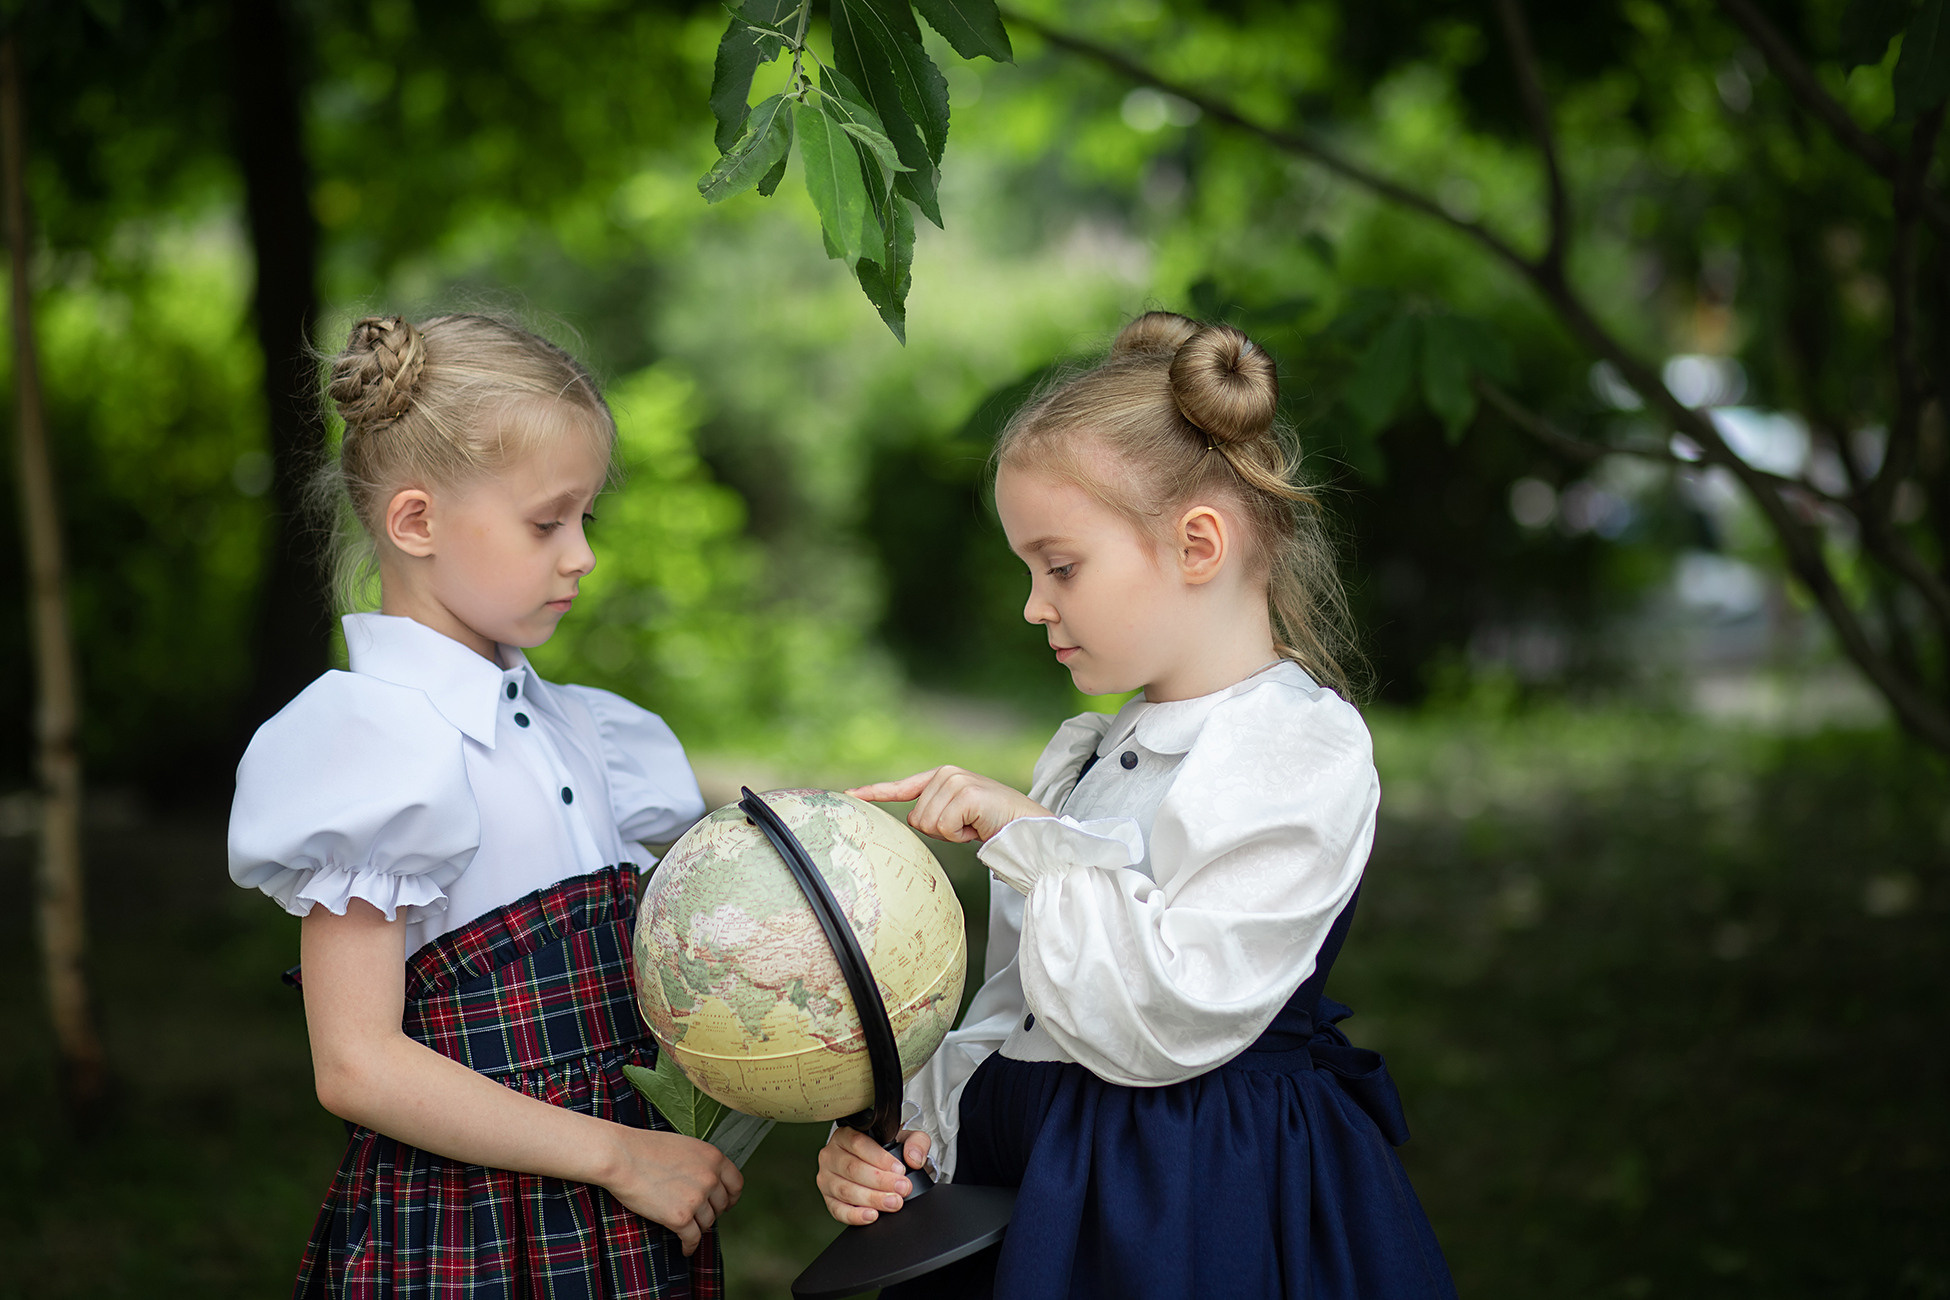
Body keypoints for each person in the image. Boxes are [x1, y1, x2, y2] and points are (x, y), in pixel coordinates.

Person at [817, 312, 1457, 1298]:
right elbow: (1020, 1007)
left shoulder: (1293, 747)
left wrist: (1029, 835)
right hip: (1040, 1175)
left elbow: (1165, 1013)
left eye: (1060, 565)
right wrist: (913, 1132)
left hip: (1189, 1203)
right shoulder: (1090, 753)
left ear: (1198, 543)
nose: (1035, 605)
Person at [228, 314, 740, 1299]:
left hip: (621, 1225)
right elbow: (356, 1064)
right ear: (415, 522)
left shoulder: (585, 733)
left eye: (587, 518)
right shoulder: (371, 748)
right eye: (547, 522)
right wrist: (623, 1157)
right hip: (469, 1236)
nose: (581, 554)